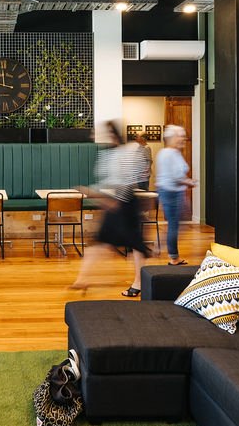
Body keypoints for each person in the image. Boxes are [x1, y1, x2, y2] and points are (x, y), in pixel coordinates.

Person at [70, 121, 151, 298]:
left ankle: (138, 283)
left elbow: (130, 181)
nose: (94, 136)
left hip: (126, 205)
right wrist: (97, 194)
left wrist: (105, 198)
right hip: (116, 204)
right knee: (101, 241)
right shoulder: (107, 155)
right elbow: (108, 182)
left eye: (98, 133)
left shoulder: (128, 152)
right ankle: (82, 279)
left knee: (135, 245)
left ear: (112, 135)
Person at [155, 124, 197, 265]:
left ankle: (161, 244)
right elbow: (175, 176)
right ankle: (173, 257)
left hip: (173, 192)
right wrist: (189, 182)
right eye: (181, 136)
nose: (183, 139)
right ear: (172, 138)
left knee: (177, 224)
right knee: (175, 225)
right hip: (172, 193)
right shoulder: (169, 154)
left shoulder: (172, 153)